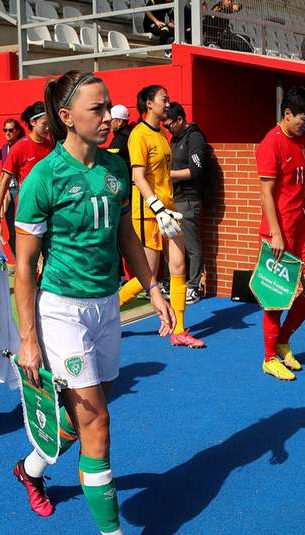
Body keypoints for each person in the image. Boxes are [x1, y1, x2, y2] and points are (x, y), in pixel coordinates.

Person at [12, 70, 174, 535]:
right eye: (97, 109)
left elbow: (125, 232)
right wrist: (29, 338)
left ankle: (32, 468)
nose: (108, 118)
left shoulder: (112, 169)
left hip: (108, 307)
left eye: (109, 108)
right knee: (98, 421)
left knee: (87, 411)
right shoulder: (43, 179)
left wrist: (152, 289)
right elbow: (24, 267)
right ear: (66, 117)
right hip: (61, 311)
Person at [118, 85, 205, 348]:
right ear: (148, 104)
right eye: (163, 100)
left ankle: (179, 330)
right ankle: (110, 313)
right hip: (148, 213)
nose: (167, 104)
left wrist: (167, 208)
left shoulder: (162, 136)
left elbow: (165, 177)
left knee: (178, 266)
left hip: (170, 211)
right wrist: (155, 206)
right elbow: (138, 177)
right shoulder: (139, 135)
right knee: (148, 275)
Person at [256, 86, 305, 381]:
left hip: (299, 230)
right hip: (278, 236)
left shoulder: (300, 140)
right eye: (303, 120)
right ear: (287, 114)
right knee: (275, 299)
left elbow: (302, 183)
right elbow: (266, 193)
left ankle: (282, 341)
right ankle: (269, 358)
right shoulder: (271, 143)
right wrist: (276, 234)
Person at [165, 101, 208, 305]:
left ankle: (194, 286)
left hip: (189, 199)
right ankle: (178, 283)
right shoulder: (175, 139)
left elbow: (195, 170)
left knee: (191, 245)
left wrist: (169, 175)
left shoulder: (195, 138)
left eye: (169, 124)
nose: (167, 128)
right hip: (175, 198)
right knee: (175, 245)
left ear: (180, 120)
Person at [0, 102, 52, 233]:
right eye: (44, 124)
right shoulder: (19, 147)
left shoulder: (50, 146)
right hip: (28, 210)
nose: (47, 128)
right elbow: (4, 181)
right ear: (33, 122)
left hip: (49, 208)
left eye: (49, 124)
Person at [0, 118, 25, 257]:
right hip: (8, 191)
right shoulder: (4, 148)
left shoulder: (22, 146)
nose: (7, 133)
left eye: (10, 130)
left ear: (17, 131)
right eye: (5, 130)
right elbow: (5, 171)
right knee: (11, 228)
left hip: (21, 190)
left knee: (23, 227)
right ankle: (18, 260)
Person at [105, 103, 132, 170]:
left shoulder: (120, 139)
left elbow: (108, 160)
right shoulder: (130, 132)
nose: (108, 121)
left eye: (111, 119)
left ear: (120, 121)